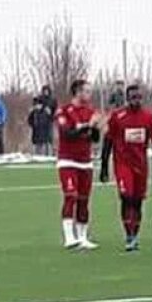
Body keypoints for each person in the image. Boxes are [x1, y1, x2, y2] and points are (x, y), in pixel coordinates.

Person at [99, 84, 152, 252]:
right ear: (127, 99)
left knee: (137, 201)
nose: (136, 101)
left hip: (141, 165)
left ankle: (135, 234)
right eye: (133, 97)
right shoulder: (117, 117)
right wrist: (104, 166)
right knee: (126, 196)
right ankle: (129, 235)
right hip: (123, 164)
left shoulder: (149, 118)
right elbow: (108, 142)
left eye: (139, 97)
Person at [56, 79, 102, 250]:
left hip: (85, 162)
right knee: (70, 195)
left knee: (84, 200)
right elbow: (67, 133)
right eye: (87, 91)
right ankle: (69, 237)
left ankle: (82, 237)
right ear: (78, 92)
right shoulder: (64, 111)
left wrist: (95, 127)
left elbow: (95, 138)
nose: (89, 95)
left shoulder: (91, 111)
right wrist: (87, 126)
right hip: (68, 161)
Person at [29, 86, 56, 156]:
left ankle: (49, 154)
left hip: (47, 125)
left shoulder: (52, 100)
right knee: (38, 144)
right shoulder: (35, 110)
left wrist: (51, 115)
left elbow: (54, 113)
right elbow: (30, 119)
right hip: (38, 128)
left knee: (48, 141)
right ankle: (38, 155)